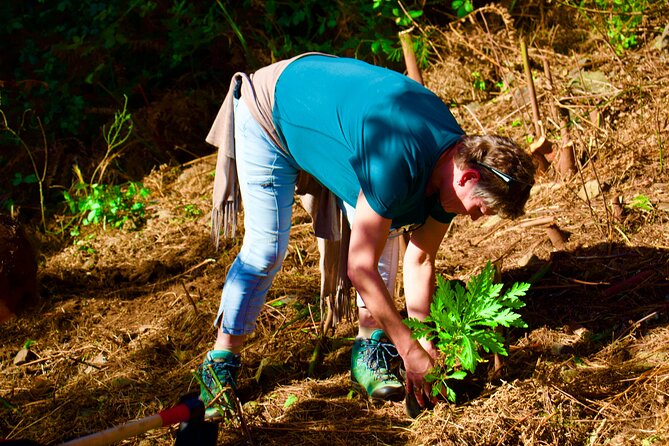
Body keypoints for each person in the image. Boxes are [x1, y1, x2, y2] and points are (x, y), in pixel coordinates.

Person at [201, 53, 536, 416]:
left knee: (389, 228)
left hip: (337, 127)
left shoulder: (453, 167)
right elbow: (358, 268)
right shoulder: (399, 159)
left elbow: (420, 257)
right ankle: (222, 360)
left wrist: (423, 340)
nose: (473, 218)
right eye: (480, 208)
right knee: (266, 250)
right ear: (468, 177)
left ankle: (369, 345)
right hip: (272, 111)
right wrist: (408, 351)